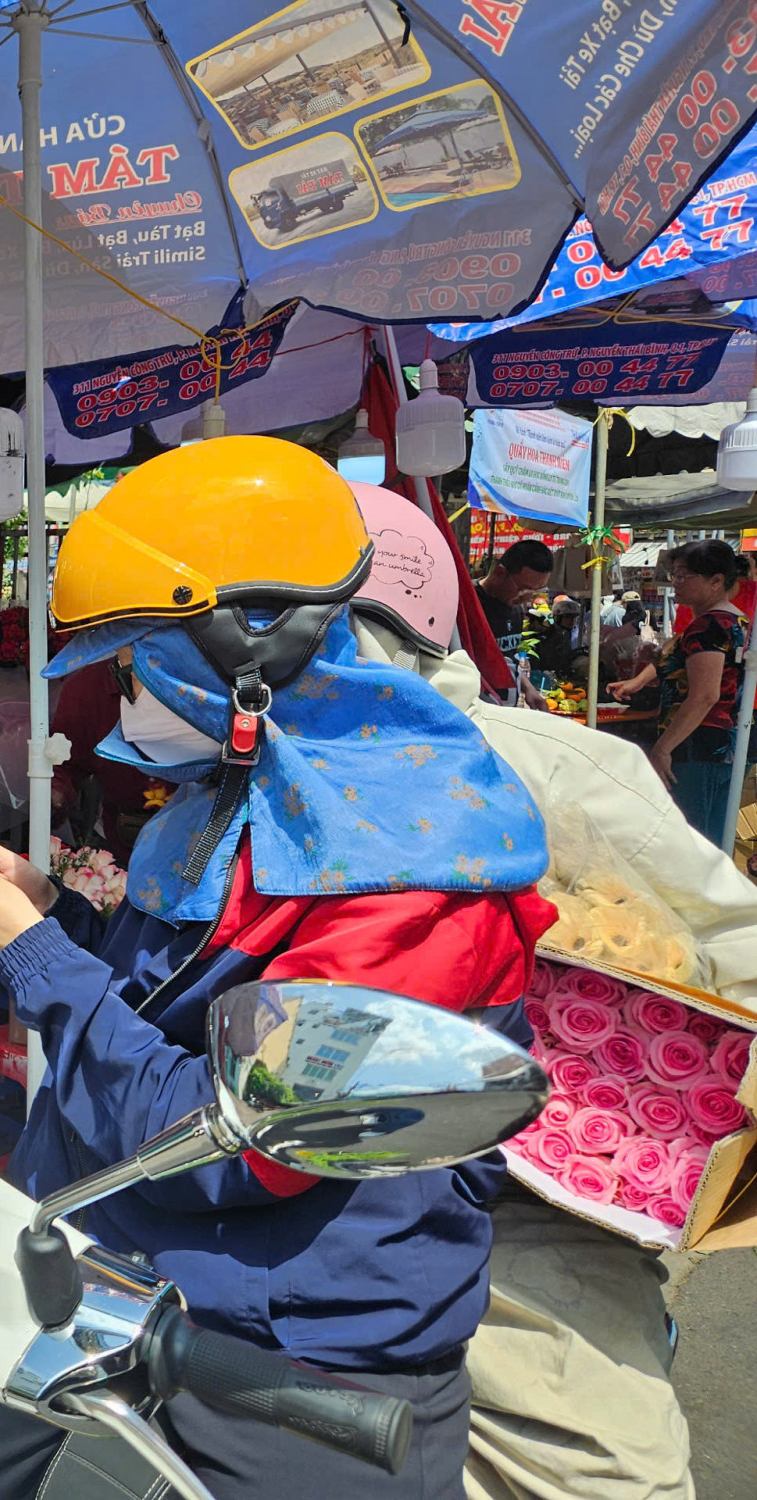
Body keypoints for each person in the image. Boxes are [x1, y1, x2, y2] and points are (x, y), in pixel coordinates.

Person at [0, 439, 554, 1500]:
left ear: (236, 662)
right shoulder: (237, 801)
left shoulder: (403, 875)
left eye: (133, 665)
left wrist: (31, 953)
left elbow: (234, 1145)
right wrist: (47, 913)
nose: (113, 702)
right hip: (126, 1282)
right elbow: (173, 1008)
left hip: (290, 1364)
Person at [345, 481, 757, 1500]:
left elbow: (727, 961)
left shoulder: (554, 768)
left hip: (539, 1213)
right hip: (368, 1213)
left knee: (587, 1462)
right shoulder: (243, 778)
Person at [612, 539, 749, 837]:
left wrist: (663, 748)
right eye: (674, 574)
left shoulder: (710, 625)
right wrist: (641, 679)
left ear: (716, 581)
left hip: (697, 745)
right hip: (724, 747)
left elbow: (704, 696)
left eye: (684, 575)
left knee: (692, 840)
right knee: (712, 839)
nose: (676, 582)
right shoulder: (735, 619)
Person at [477, 539, 554, 709]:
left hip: (505, 709)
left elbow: (508, 658)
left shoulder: (515, 607)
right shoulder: (470, 603)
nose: (526, 598)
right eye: (523, 589)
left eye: (534, 592)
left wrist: (529, 690)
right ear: (500, 573)